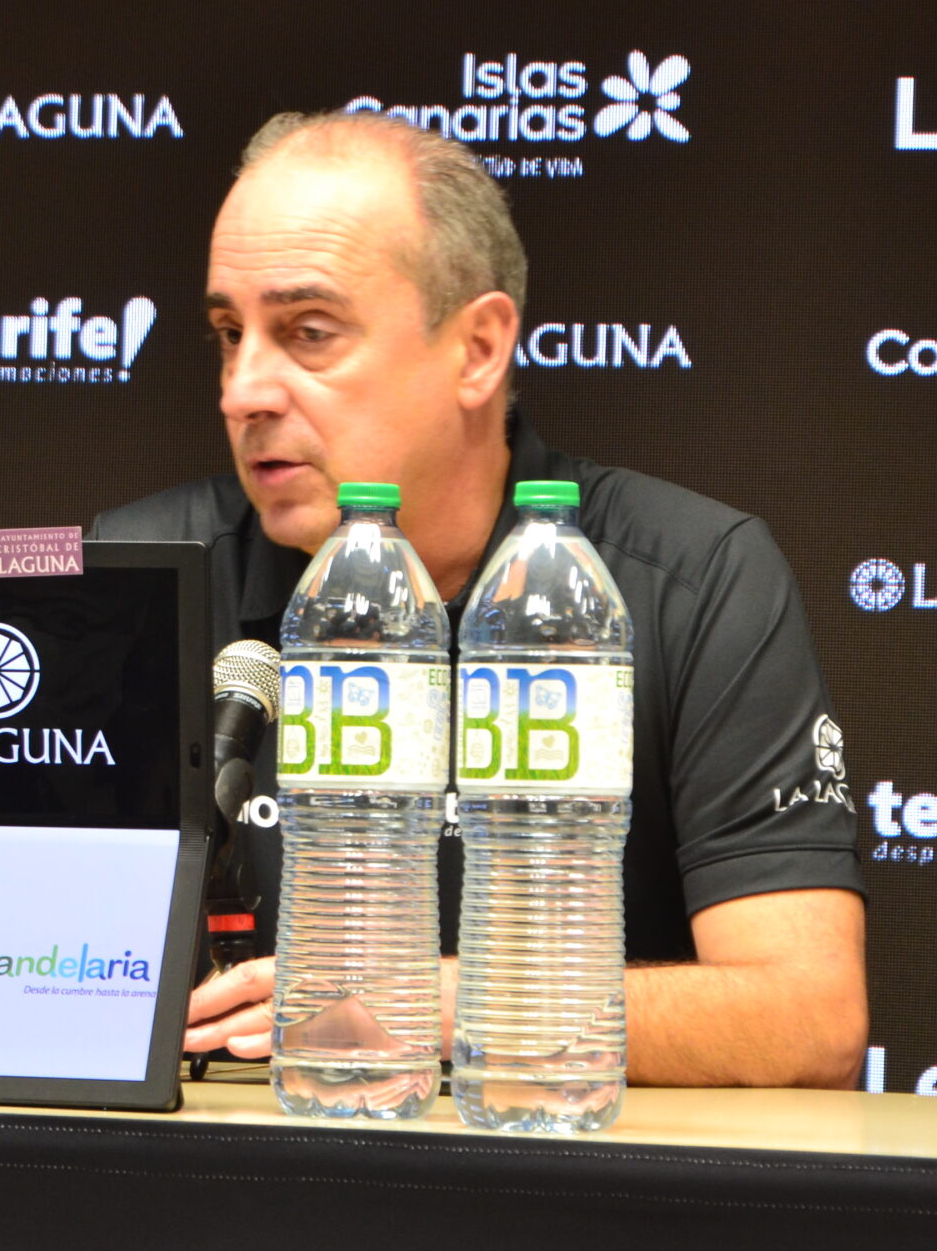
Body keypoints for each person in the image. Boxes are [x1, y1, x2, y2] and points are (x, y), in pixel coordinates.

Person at [90, 111, 866, 1088]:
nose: (242, 390)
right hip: (223, 1165)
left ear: (478, 349)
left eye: (308, 333)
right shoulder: (135, 580)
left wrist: (438, 1002)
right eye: (228, 335)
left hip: (556, 1168)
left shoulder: (691, 579)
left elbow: (808, 1021)